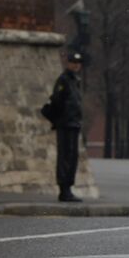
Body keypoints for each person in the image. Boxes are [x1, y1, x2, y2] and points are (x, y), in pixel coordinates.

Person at [46, 51, 84, 202]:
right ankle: (64, 189)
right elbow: (57, 101)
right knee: (65, 157)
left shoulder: (75, 80)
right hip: (65, 123)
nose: (75, 65)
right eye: (73, 62)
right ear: (68, 63)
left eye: (77, 63)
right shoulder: (64, 80)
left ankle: (68, 187)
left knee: (72, 156)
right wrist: (61, 118)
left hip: (74, 123)